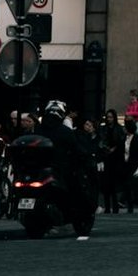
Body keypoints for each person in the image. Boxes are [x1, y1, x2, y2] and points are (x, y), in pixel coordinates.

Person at [40, 101, 100, 240]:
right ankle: (74, 214)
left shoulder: (38, 129)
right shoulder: (65, 132)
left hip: (40, 170)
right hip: (60, 170)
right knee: (76, 188)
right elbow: (77, 150)